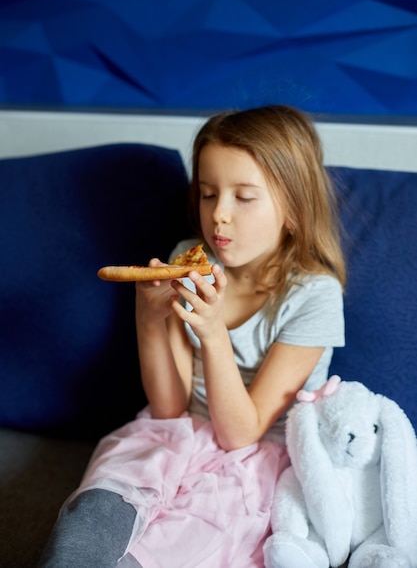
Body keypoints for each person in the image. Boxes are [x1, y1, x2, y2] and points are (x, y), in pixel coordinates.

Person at [39, 104, 345, 568]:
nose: (219, 215)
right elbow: (168, 408)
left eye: (244, 197)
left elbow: (241, 434)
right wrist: (149, 317)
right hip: (173, 436)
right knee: (97, 513)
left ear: (294, 211)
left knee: (170, 548)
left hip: (249, 460)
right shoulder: (190, 257)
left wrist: (212, 332)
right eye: (207, 194)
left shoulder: (314, 296)